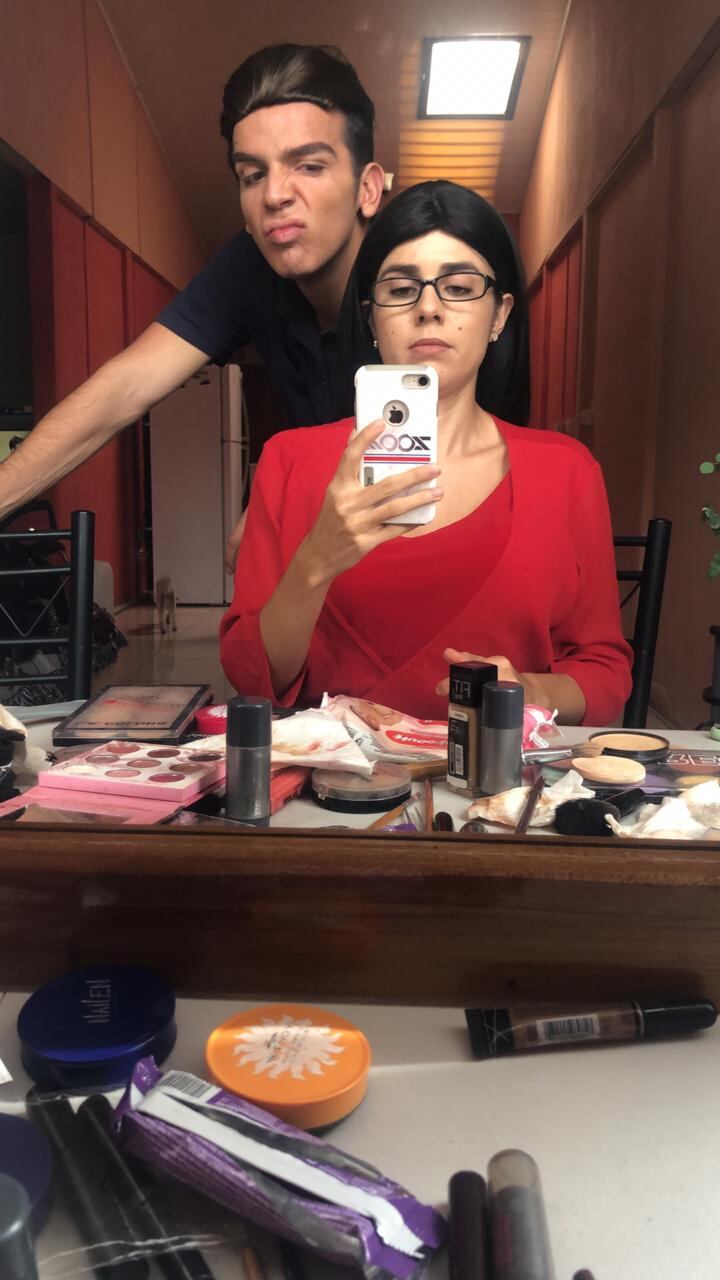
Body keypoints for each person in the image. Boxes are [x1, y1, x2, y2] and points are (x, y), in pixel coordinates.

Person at [220, 180, 633, 725]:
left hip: (496, 772)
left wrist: (527, 688)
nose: (429, 308)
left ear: (500, 315)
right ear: (371, 317)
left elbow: (605, 674)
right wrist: (316, 561)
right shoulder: (289, 460)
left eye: (459, 287)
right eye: (400, 289)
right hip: (331, 776)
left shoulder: (566, 471)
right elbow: (250, 675)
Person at [0, 44, 384, 556]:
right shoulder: (248, 265)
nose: (274, 195)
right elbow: (125, 385)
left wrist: (291, 492)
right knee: (247, 554)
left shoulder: (420, 277)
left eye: (309, 166)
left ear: (368, 189)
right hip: (334, 531)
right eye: (252, 175)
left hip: (427, 521)